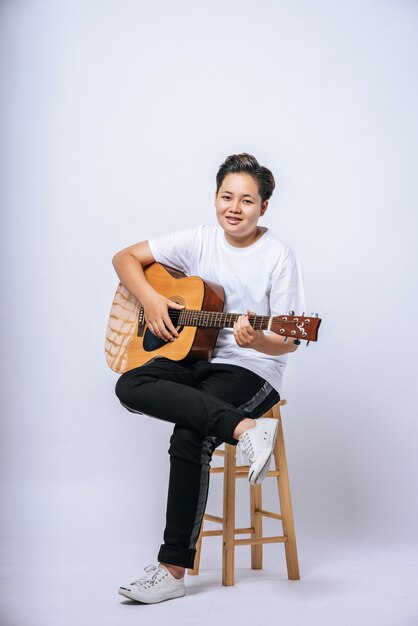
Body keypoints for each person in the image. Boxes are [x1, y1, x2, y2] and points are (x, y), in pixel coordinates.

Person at [112, 153, 306, 604]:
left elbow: (290, 340)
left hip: (252, 368)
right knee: (129, 384)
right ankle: (244, 430)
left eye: (247, 200)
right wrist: (154, 302)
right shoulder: (198, 240)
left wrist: (255, 341)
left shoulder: (278, 256)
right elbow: (125, 258)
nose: (234, 208)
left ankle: (171, 569)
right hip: (193, 359)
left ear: (264, 207)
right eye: (226, 197)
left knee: (190, 434)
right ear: (215, 198)